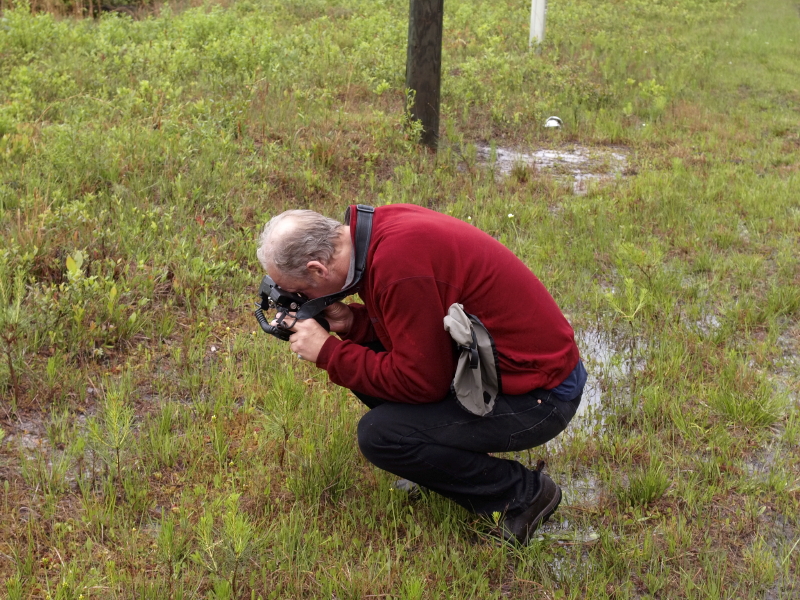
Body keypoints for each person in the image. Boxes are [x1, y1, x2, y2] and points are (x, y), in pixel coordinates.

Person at [255, 203, 586, 544]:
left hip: (541, 398)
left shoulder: (398, 267)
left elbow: (421, 383)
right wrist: (353, 323)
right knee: (370, 365)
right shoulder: (374, 234)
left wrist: (329, 353)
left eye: (302, 293)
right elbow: (416, 334)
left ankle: (525, 496)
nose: (302, 300)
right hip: (506, 372)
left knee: (381, 436)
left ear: (317, 269)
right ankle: (435, 466)